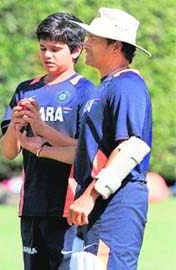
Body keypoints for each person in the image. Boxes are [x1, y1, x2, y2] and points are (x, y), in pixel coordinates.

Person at [0, 12, 97, 270]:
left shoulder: (86, 91)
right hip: (32, 204)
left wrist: (42, 139)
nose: (47, 55)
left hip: (69, 207)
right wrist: (15, 126)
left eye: (55, 49)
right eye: (43, 48)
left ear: (76, 50)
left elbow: (85, 151)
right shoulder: (26, 89)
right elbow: (9, 152)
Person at [62, 7, 152, 270]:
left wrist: (89, 196)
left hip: (116, 204)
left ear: (115, 46)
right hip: (102, 203)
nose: (85, 44)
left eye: (94, 39)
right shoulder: (108, 85)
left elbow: (132, 147)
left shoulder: (127, 85)